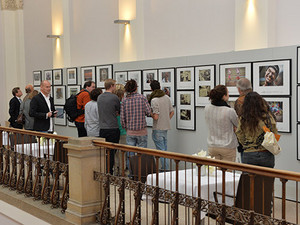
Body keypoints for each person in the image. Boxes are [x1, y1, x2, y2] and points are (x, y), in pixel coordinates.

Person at [235, 92, 277, 216]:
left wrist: (248, 145)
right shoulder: (267, 117)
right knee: (266, 185)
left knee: (249, 185)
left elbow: (239, 134)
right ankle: (265, 213)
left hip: (249, 154)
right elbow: (274, 133)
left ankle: (249, 213)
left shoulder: (243, 118)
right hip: (266, 154)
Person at [121, 79, 151, 169]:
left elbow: (122, 118)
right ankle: (141, 174)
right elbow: (149, 112)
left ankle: (131, 174)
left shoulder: (124, 100)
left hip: (130, 131)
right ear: (136, 88)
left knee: (130, 154)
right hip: (142, 131)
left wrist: (126, 128)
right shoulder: (142, 98)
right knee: (142, 154)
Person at [204, 85, 238, 162]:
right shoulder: (229, 111)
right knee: (227, 172)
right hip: (227, 146)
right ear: (224, 96)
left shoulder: (207, 108)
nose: (229, 95)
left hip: (212, 145)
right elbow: (238, 124)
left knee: (214, 172)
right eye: (228, 93)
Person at [149, 80, 174, 170]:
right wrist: (166, 119)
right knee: (164, 151)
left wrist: (150, 113)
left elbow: (155, 117)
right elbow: (172, 112)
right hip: (165, 128)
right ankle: (166, 170)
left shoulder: (154, 100)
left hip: (157, 128)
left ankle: (165, 170)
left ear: (151, 89)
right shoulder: (166, 97)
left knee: (161, 152)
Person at [97, 79, 120, 174]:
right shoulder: (114, 97)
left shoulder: (99, 97)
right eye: (114, 85)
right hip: (112, 128)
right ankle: (109, 172)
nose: (115, 87)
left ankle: (104, 170)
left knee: (104, 152)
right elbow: (119, 110)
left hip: (102, 128)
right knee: (112, 152)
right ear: (111, 86)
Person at [234, 78, 252, 162]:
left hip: (245, 141)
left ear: (239, 89)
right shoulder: (259, 99)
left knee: (247, 171)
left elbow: (238, 121)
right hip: (260, 140)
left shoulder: (239, 102)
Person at [113, 84, 127, 175]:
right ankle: (122, 171)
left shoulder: (113, 104)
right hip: (123, 130)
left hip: (114, 129)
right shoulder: (123, 104)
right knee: (122, 153)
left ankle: (116, 170)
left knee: (115, 153)